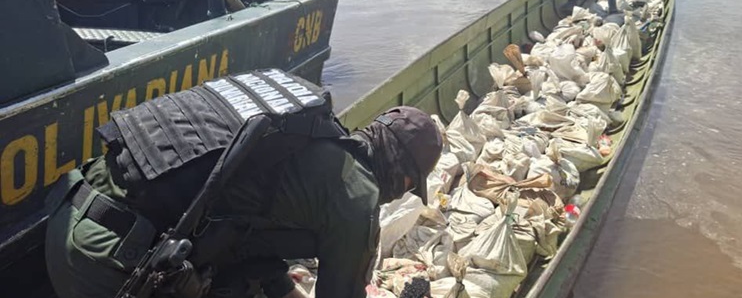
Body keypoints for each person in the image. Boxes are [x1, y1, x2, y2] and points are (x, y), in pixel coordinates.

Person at [43, 69, 444, 298]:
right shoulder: (357, 195)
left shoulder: (302, 127)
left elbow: (246, 226)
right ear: (405, 176)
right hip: (113, 262)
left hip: (70, 212)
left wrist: (284, 291)